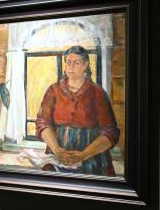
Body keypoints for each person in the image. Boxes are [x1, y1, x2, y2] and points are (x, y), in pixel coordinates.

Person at [35, 46, 119, 176]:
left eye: (76, 63)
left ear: (85, 65)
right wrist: (57, 150)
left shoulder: (97, 92)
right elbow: (42, 123)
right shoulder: (53, 90)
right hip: (57, 158)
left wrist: (83, 155)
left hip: (92, 159)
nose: (71, 67)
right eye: (68, 62)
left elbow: (110, 132)